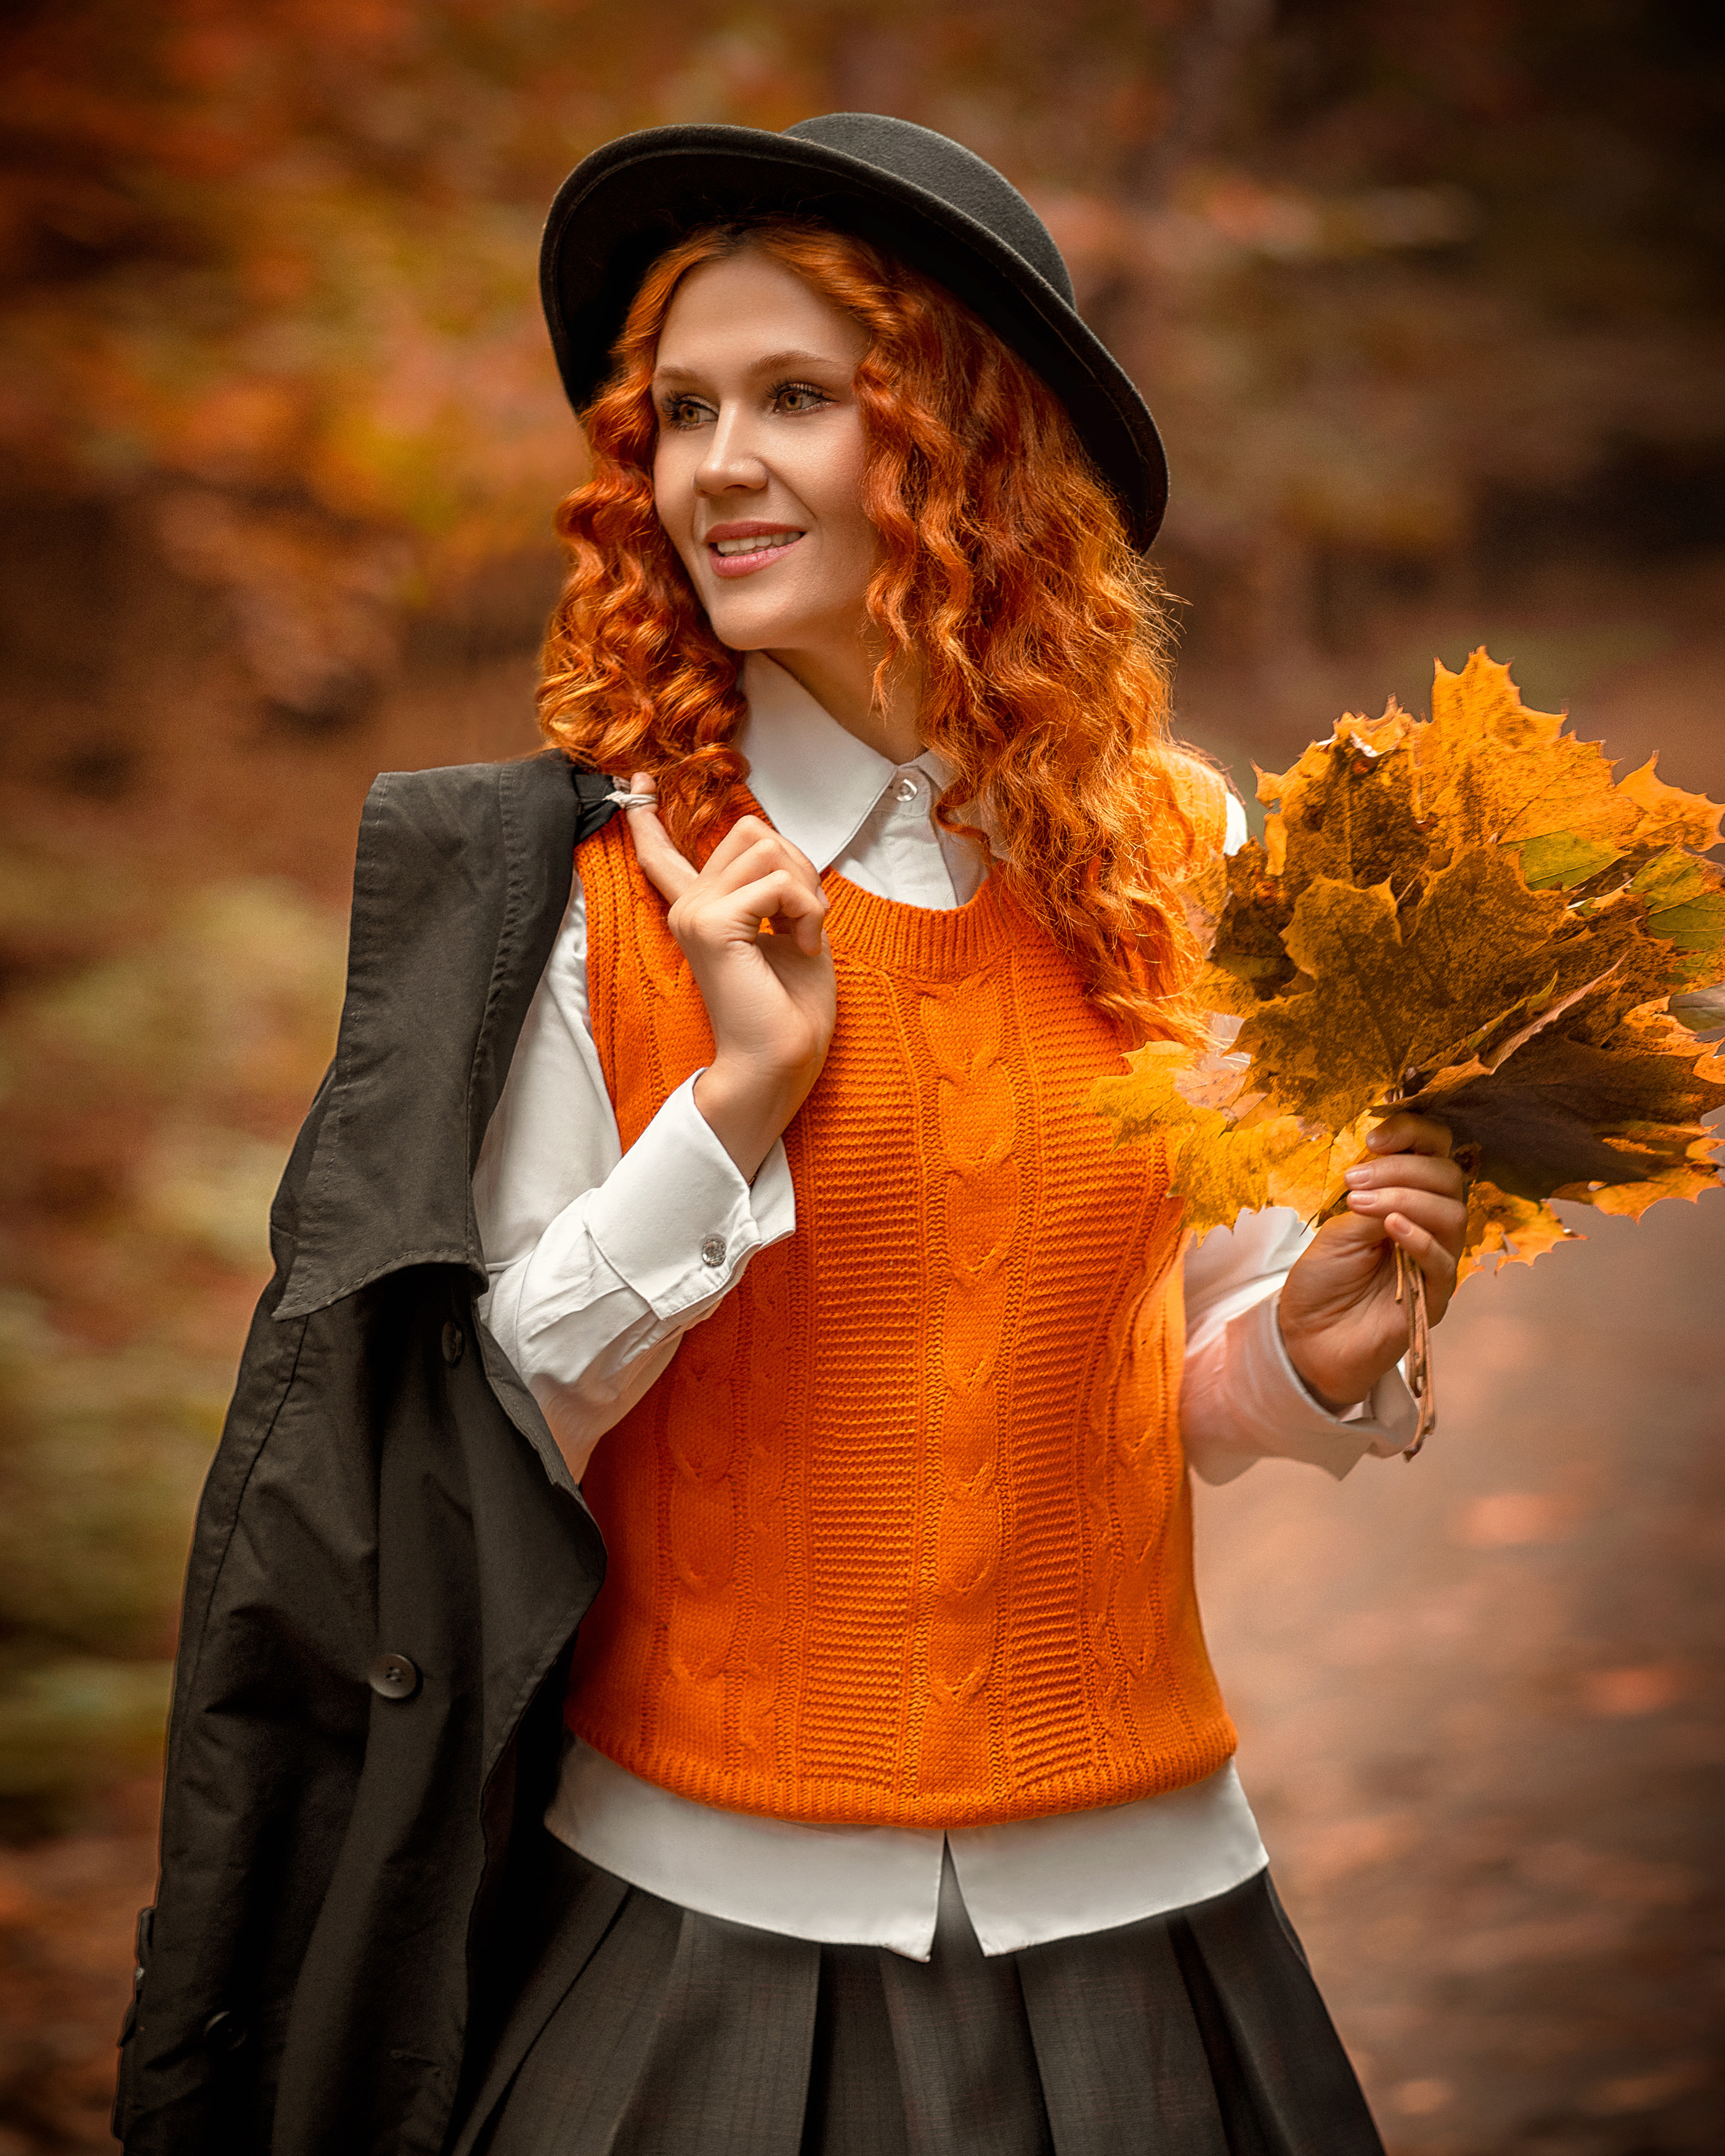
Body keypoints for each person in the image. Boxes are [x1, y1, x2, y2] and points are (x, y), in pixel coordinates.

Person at [116, 116, 1466, 2156]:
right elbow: (483, 1429)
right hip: (694, 1926)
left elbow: (1165, 1354)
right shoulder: (593, 887)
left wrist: (1315, 1353)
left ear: (967, 448)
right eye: (681, 414)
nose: (717, 464)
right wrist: (737, 1100)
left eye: (799, 399)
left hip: (1148, 1902)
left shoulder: (1191, 855)